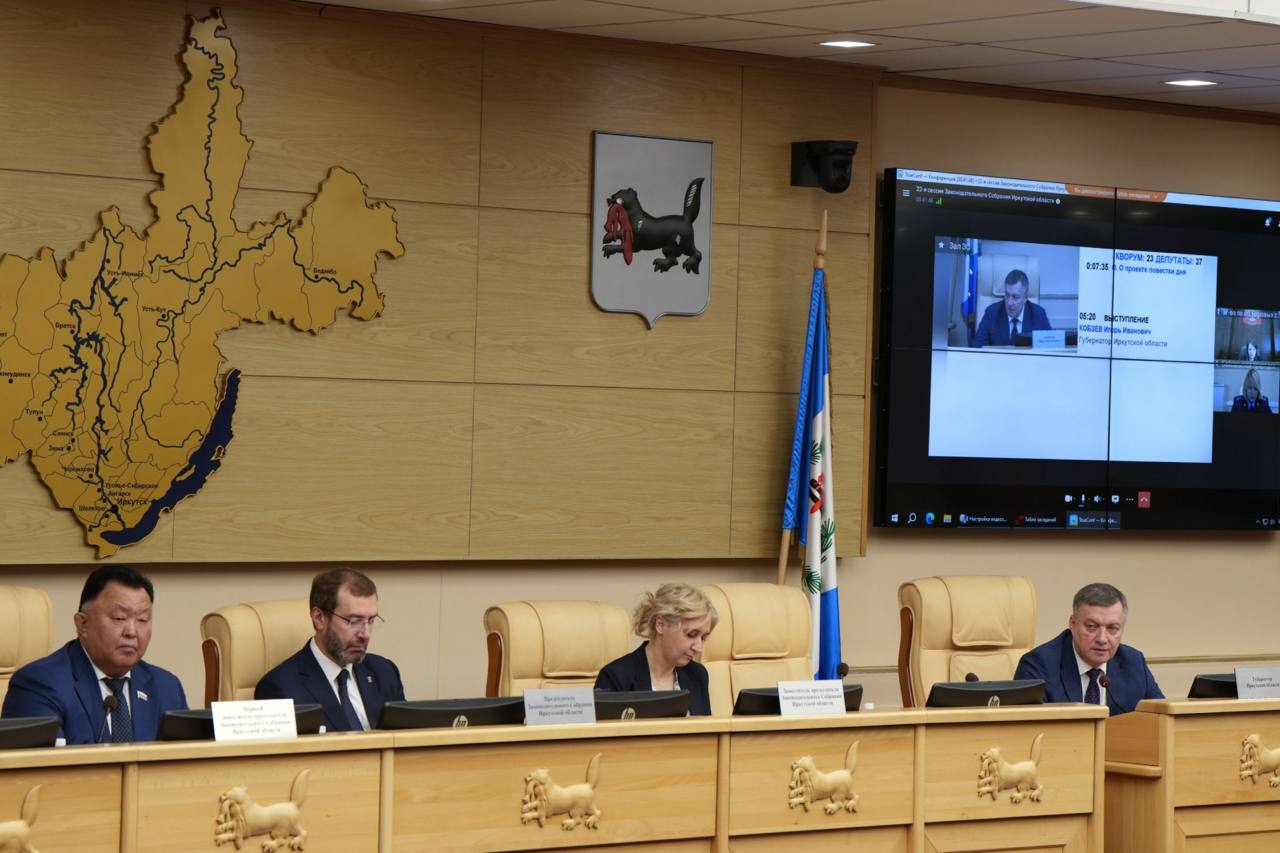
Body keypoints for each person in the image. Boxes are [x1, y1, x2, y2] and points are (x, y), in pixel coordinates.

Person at [1, 565, 187, 744]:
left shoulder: (167, 688)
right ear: (83, 624)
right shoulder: (39, 685)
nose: (132, 631)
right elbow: (42, 765)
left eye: (142, 620)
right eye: (119, 618)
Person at [255, 567, 404, 731]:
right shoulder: (281, 688)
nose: (366, 634)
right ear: (319, 618)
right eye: (354, 621)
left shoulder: (384, 673)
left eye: (371, 621)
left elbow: (406, 741)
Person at [1014, 582, 1162, 715]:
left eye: (1112, 628)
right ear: (1073, 623)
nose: (1102, 639)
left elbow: (1163, 718)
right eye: (1091, 626)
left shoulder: (1133, 663)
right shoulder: (1038, 666)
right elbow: (1031, 730)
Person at [596, 583, 717, 716]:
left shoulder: (697, 674)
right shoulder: (615, 676)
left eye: (703, 638)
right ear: (661, 625)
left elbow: (706, 728)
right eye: (691, 634)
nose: (699, 648)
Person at [972, 269, 1051, 347]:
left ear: (1025, 298)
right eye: (1007, 295)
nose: (1009, 303)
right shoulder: (992, 312)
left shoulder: (1038, 314)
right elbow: (977, 347)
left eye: (1015, 297)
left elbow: (1050, 347)